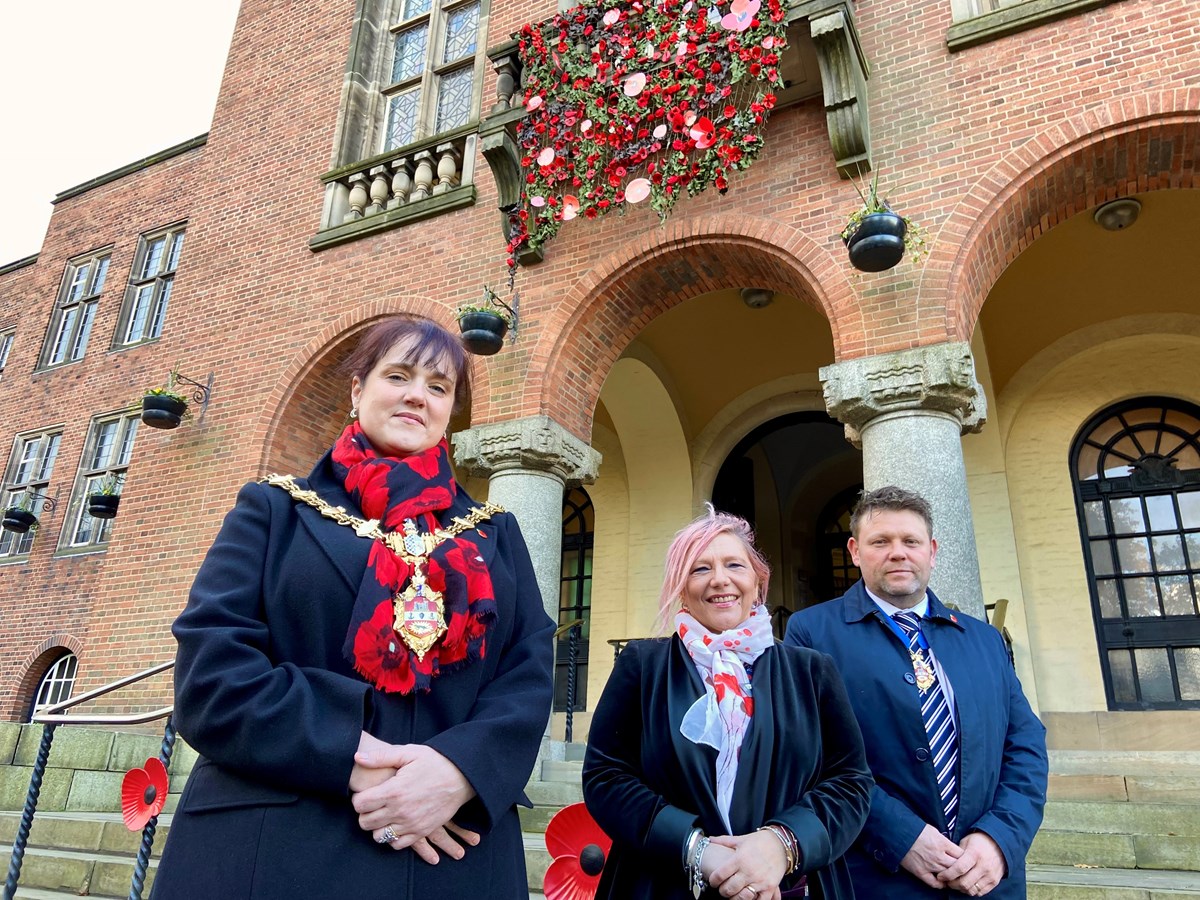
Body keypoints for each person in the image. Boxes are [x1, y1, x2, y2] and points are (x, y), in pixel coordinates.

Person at [152, 316, 555, 899]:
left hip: (452, 859)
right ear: (357, 389)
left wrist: (460, 771)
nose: (419, 395)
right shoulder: (274, 510)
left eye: (439, 387)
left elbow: (528, 672)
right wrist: (348, 753)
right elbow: (211, 675)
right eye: (399, 375)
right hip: (276, 850)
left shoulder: (496, 533)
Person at [583, 507, 872, 900]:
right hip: (661, 886)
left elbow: (850, 782)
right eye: (700, 569)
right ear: (680, 587)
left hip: (791, 887)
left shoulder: (812, 671)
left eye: (734, 564)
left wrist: (781, 845)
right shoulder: (642, 666)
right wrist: (696, 850)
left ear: (757, 580)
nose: (720, 580)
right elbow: (607, 776)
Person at [784, 486, 1047, 899]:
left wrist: (1000, 839)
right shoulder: (811, 633)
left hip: (987, 879)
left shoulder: (983, 639)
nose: (898, 552)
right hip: (875, 876)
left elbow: (1026, 745)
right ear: (854, 551)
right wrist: (902, 837)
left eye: (911, 541)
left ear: (932, 551)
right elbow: (811, 754)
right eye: (880, 542)